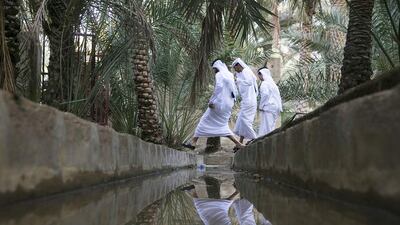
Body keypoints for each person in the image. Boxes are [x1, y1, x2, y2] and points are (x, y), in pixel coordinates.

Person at [182, 60, 244, 150]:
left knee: (204, 120)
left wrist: (211, 101)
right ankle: (238, 143)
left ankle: (193, 142)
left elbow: (218, 87)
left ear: (217, 67)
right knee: (222, 125)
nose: (214, 71)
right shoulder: (229, 74)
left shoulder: (219, 74)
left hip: (218, 104)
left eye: (214, 69)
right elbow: (234, 91)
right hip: (228, 105)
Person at [231, 58, 258, 144]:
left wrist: (238, 81)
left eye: (235, 67)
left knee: (244, 121)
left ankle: (254, 138)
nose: (235, 70)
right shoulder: (241, 74)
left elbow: (249, 82)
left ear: (238, 65)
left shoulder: (246, 71)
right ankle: (240, 142)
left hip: (249, 101)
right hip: (246, 101)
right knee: (241, 121)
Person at [257, 67, 282, 137]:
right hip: (274, 108)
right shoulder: (272, 83)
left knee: (267, 127)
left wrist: (261, 106)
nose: (258, 77)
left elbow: (265, 95)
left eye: (259, 75)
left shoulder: (264, 83)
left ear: (261, 74)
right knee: (271, 126)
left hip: (268, 107)